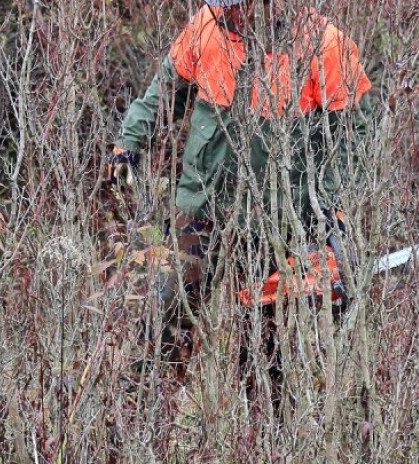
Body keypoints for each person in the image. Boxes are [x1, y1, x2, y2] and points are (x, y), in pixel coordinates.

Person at [109, 0, 371, 391]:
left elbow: (354, 136)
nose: (225, 14)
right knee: (168, 312)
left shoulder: (324, 45)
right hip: (202, 202)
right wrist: (130, 141)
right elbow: (166, 90)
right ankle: (147, 418)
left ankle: (268, 438)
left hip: (279, 218)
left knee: (264, 345)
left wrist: (331, 207)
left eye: (234, 7)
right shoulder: (206, 25)